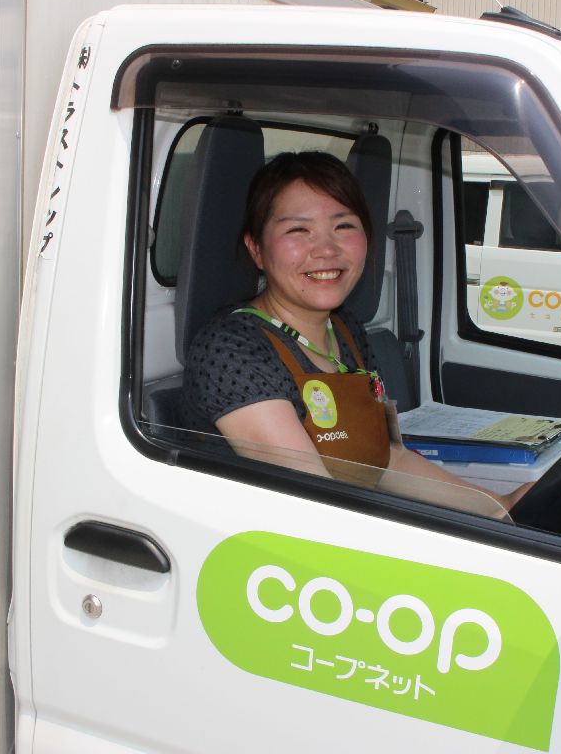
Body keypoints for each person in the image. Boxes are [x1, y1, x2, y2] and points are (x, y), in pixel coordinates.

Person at [183, 151, 528, 513]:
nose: (326, 249)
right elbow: (314, 502)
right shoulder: (231, 349)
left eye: (343, 226)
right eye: (299, 230)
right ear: (256, 249)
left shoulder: (344, 329)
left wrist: (498, 506)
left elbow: (384, 462)